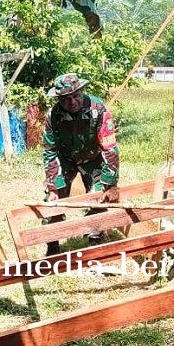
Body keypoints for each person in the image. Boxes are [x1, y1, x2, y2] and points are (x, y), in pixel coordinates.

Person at [42, 72, 120, 255]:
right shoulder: (52, 116)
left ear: (82, 91)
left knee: (98, 197)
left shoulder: (98, 110)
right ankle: (52, 243)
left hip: (93, 158)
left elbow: (109, 148)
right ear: (58, 99)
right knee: (52, 201)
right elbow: (50, 151)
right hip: (65, 159)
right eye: (65, 99)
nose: (71, 102)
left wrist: (111, 183)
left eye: (75, 96)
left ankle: (94, 240)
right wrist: (53, 186)